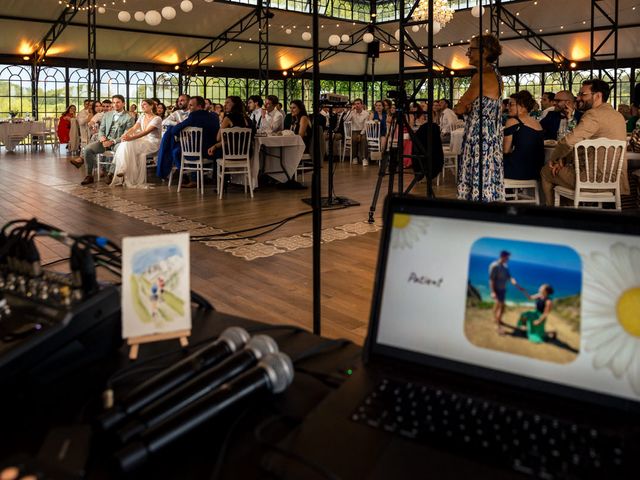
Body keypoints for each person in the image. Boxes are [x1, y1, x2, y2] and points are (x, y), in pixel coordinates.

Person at [540, 79, 629, 205]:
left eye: (583, 94)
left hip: (591, 180)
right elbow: (583, 145)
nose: (578, 97)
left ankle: (551, 216)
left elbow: (567, 142)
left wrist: (554, 160)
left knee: (546, 171)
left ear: (598, 95)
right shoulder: (618, 115)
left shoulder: (593, 114)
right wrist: (564, 160)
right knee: (563, 171)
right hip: (614, 181)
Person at [454, 34, 505, 202]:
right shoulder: (496, 75)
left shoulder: (480, 77)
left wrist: (464, 107)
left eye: (471, 49)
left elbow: (460, 107)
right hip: (492, 137)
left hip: (479, 137)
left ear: (483, 52)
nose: (468, 53)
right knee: (488, 178)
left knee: (477, 179)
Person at [70, 95, 134, 185]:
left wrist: (112, 141)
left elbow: (126, 134)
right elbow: (102, 130)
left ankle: (111, 174)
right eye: (114, 102)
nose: (116, 104)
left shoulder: (129, 118)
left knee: (121, 149)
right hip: (104, 142)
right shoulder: (107, 115)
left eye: (118, 102)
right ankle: (89, 175)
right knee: (88, 149)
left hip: (117, 142)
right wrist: (102, 138)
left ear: (123, 103)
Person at [109, 99, 162, 188]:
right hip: (143, 141)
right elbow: (134, 128)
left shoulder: (157, 118)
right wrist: (125, 135)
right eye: (142, 105)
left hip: (153, 143)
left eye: (144, 104)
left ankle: (123, 168)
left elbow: (145, 132)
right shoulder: (142, 116)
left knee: (129, 142)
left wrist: (131, 138)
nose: (142, 106)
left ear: (151, 106)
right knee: (126, 143)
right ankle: (123, 170)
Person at [171, 96, 220, 189]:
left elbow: (174, 131)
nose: (189, 108)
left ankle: (191, 178)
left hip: (198, 152)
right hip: (213, 150)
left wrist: (180, 127)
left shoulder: (193, 116)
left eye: (191, 105)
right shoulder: (214, 116)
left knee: (176, 152)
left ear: (199, 106)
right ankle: (201, 177)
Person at [503, 91, 545, 180]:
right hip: (535, 172)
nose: (507, 107)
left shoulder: (512, 121)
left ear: (521, 106)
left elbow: (505, 150)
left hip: (517, 171)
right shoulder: (537, 123)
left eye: (511, 104)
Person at [489, 250, 520, 335]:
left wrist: (513, 280)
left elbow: (509, 276)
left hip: (503, 289)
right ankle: (498, 326)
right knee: (500, 307)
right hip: (497, 290)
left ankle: (496, 320)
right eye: (507, 257)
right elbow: (491, 279)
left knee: (499, 306)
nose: (508, 259)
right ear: (502, 256)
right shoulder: (494, 266)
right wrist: (492, 292)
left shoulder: (505, 266)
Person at [343, 98, 370, 165]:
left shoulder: (366, 113)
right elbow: (345, 120)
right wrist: (350, 111)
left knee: (364, 139)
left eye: (358, 104)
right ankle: (354, 157)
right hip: (354, 130)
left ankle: (364, 158)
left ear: (362, 105)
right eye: (355, 104)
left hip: (363, 130)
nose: (356, 105)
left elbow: (365, 126)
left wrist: (360, 134)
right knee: (354, 139)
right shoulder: (352, 112)